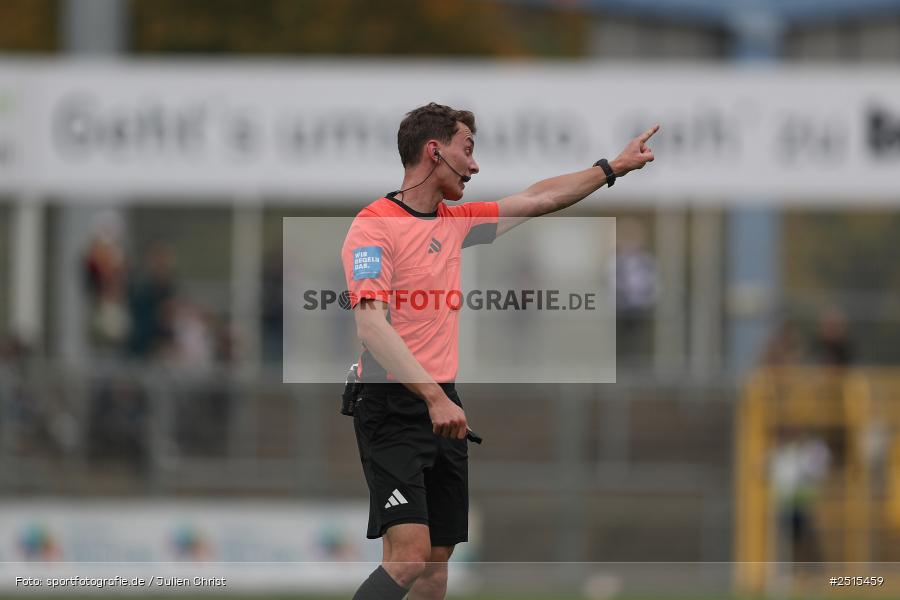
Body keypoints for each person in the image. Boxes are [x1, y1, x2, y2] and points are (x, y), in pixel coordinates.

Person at [342, 102, 657, 600]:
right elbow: (371, 327)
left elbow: (538, 198)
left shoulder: (454, 222)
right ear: (434, 150)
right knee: (408, 557)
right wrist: (433, 398)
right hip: (392, 402)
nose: (475, 164)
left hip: (440, 403)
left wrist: (611, 168)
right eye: (467, 150)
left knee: (435, 570)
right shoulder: (374, 226)